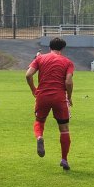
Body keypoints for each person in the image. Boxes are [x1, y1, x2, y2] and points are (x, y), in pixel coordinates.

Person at [25, 37, 75, 171]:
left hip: (42, 96)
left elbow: (28, 75)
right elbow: (68, 82)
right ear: (63, 49)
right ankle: (64, 159)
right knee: (64, 129)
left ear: (49, 47)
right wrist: (69, 97)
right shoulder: (67, 62)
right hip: (59, 97)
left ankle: (40, 137)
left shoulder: (40, 59)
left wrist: (34, 90)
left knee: (39, 121)